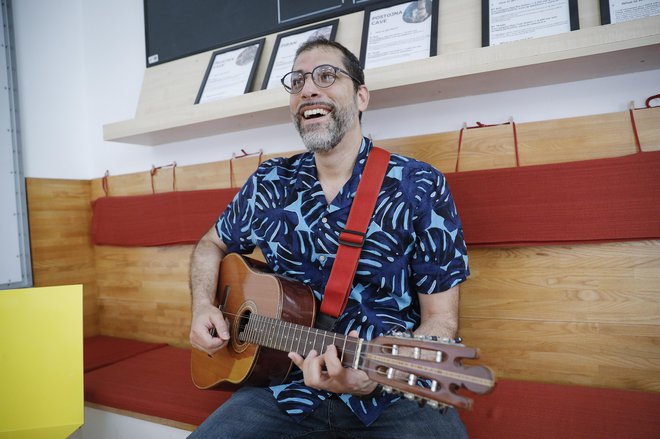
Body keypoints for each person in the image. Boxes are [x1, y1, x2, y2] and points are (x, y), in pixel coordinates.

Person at [188, 38, 470, 438]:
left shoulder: (420, 185)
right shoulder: (270, 182)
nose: (308, 88)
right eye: (298, 80)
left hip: (393, 396)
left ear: (361, 97)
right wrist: (202, 306)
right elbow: (209, 245)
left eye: (326, 76)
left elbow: (441, 321)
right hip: (282, 388)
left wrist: (379, 373)